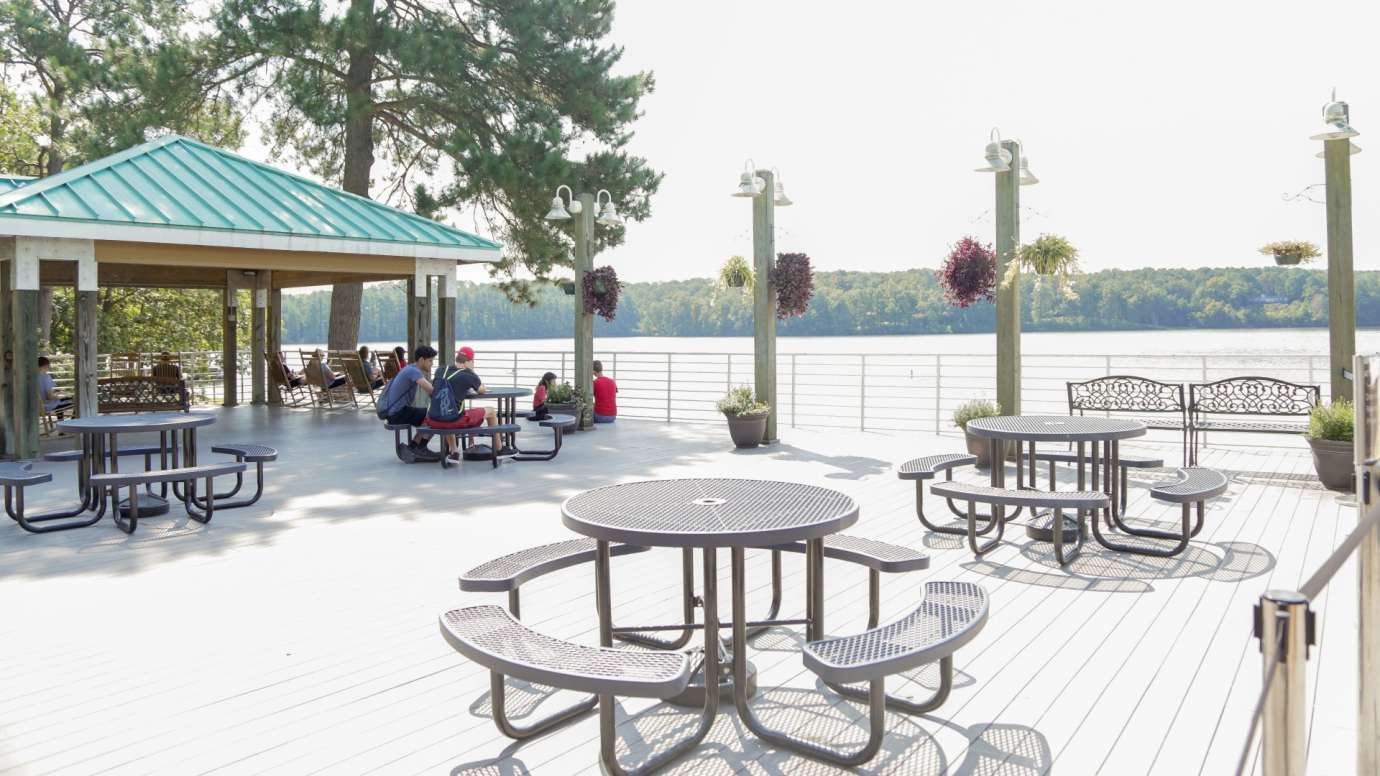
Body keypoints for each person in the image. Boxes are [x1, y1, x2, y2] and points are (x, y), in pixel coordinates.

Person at [426, 346, 498, 461]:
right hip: (454, 421)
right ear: (468, 361)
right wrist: (472, 372)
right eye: (473, 361)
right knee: (491, 411)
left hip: (433, 418)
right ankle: (499, 450)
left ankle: (454, 451)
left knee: (448, 409)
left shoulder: (440, 370)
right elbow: (481, 390)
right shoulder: (468, 375)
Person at [378, 345, 441, 463]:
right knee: (435, 416)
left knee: (427, 414)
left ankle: (413, 447)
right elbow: (431, 390)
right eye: (430, 361)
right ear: (422, 360)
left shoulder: (409, 368)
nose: (432, 364)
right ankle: (421, 448)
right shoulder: (413, 371)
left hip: (395, 412)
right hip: (397, 414)